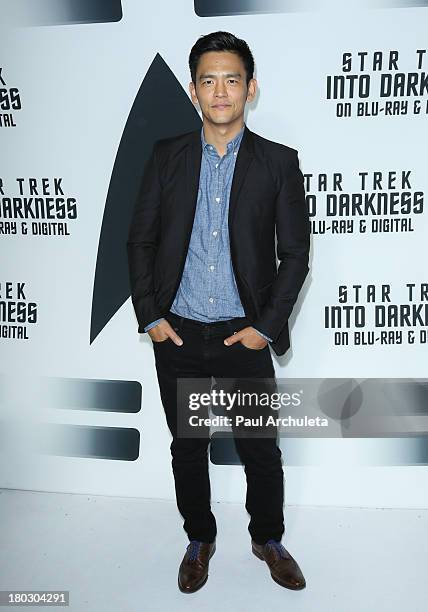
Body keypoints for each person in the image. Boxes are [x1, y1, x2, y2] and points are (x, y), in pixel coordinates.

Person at [127, 31, 310, 593]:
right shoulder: (166, 157)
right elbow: (140, 242)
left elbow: (295, 255)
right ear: (193, 91)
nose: (221, 90)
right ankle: (199, 538)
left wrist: (264, 328)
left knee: (261, 447)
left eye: (232, 79)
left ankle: (268, 538)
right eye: (209, 80)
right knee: (189, 448)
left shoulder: (279, 163)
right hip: (178, 337)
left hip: (242, 337)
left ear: (250, 89)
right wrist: (153, 317)